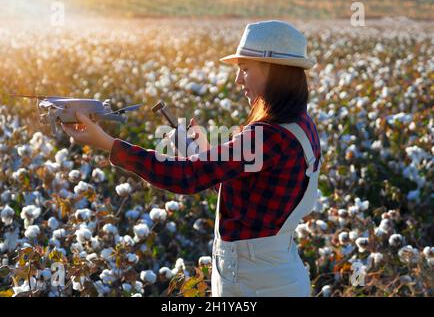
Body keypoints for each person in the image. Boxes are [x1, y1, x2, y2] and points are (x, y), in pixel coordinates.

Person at [62, 20, 322, 297]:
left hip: (255, 283)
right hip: (276, 273)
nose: (238, 80)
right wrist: (206, 156)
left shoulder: (268, 135)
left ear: (275, 73)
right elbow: (248, 194)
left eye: (245, 70)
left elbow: (185, 178)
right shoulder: (299, 124)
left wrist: (108, 143)